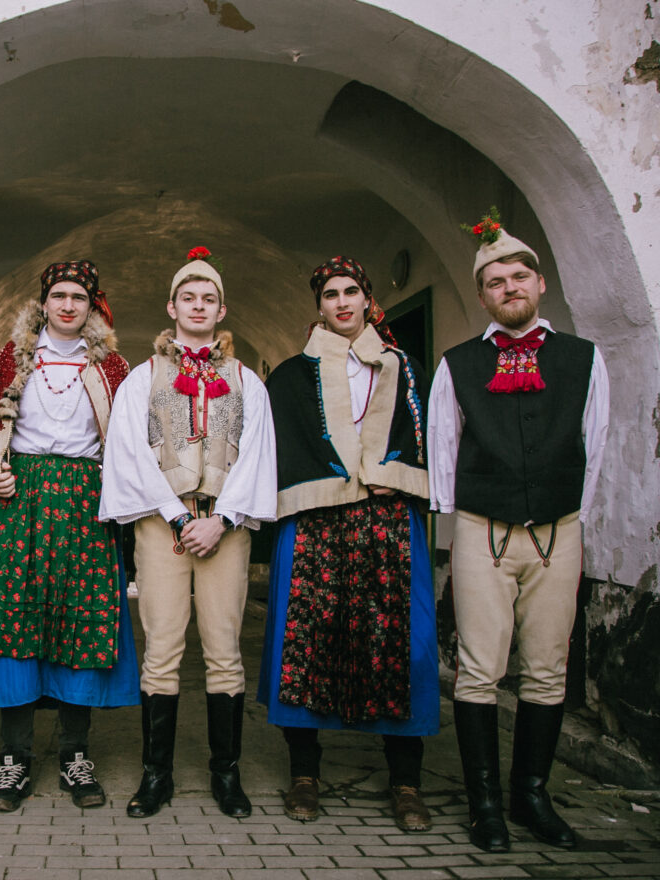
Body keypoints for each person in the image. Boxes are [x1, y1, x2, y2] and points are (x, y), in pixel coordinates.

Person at [428, 211, 609, 852]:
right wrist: (460, 525)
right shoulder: (458, 364)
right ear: (482, 295)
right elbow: (443, 450)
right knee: (479, 670)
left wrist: (568, 516)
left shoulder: (582, 359)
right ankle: (484, 804)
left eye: (519, 275)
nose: (510, 287)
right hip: (482, 529)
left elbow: (597, 441)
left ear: (539, 284)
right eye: (496, 280)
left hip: (559, 532)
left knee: (547, 670)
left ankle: (530, 794)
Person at [257, 256, 439, 831]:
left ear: (367, 299)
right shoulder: (289, 376)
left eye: (351, 291)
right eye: (331, 294)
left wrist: (398, 475)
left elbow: (428, 433)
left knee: (399, 642)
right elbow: (277, 447)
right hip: (315, 522)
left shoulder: (403, 369)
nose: (341, 302)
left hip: (388, 520)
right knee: (306, 640)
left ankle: (406, 781)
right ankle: (305, 773)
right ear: (320, 305)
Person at [100, 246, 277, 819]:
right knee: (162, 650)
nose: (198, 306)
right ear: (171, 306)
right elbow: (128, 453)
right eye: (188, 298)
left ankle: (226, 774)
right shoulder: (142, 377)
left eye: (208, 299)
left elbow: (257, 455)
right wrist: (178, 518)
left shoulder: (247, 380)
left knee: (225, 652)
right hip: (163, 523)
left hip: (225, 526)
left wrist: (221, 519)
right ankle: (157, 776)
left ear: (221, 310)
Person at [0, 259, 139, 811]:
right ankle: (14, 760)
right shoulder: (12, 357)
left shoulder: (111, 364)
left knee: (81, 620)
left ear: (92, 306)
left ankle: (74, 755)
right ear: (44, 303)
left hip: (87, 499)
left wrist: (115, 488)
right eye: (59, 296)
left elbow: (127, 437)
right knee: (15, 619)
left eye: (78, 298)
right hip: (24, 496)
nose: (67, 305)